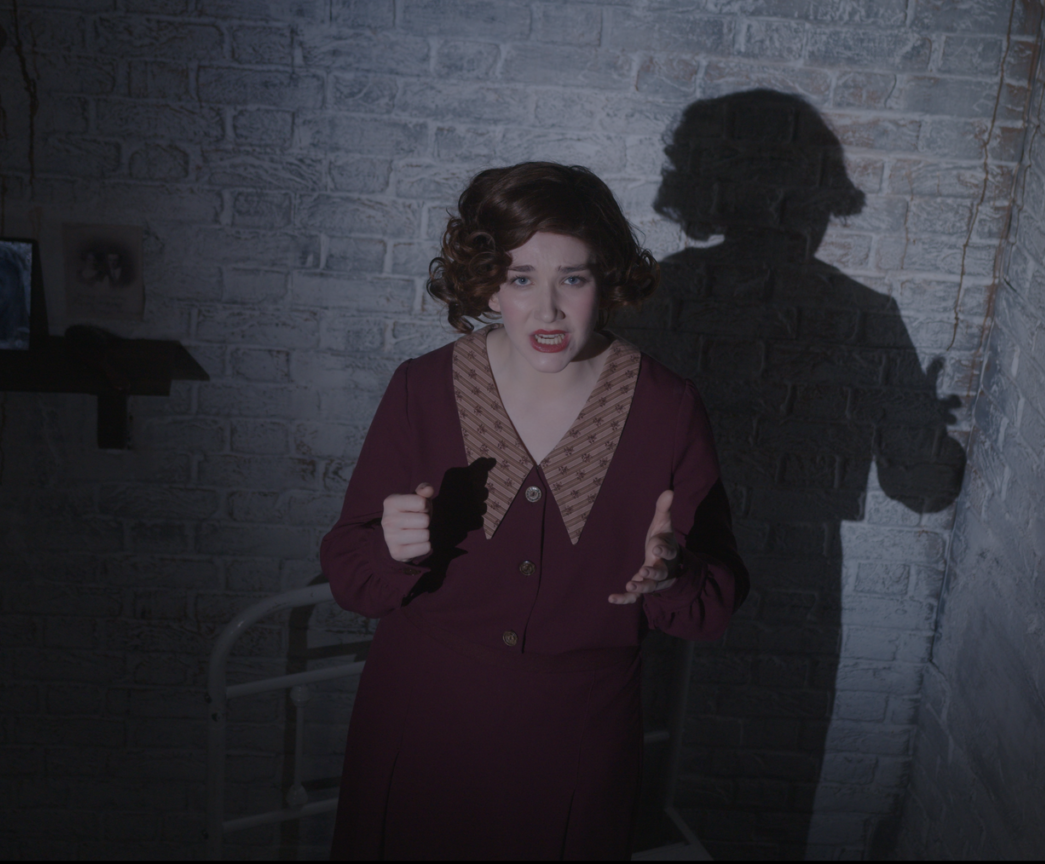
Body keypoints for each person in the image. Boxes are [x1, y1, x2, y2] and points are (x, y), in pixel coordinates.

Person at [320, 162, 750, 860]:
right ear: (488, 283)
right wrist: (387, 550)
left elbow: (715, 605)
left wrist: (674, 577)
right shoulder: (421, 388)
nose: (548, 310)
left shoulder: (667, 408)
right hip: (418, 722)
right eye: (521, 279)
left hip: (575, 744)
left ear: (605, 279)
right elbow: (348, 572)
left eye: (572, 279)